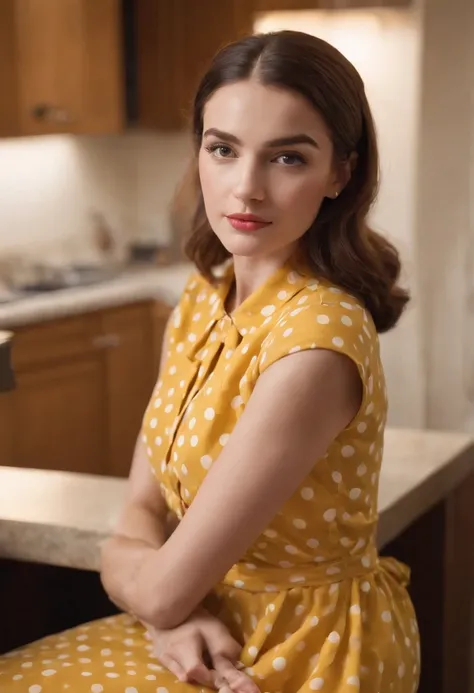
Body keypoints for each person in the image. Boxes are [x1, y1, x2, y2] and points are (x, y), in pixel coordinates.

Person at [0, 29, 420, 693]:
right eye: (223, 148)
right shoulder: (207, 292)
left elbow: (154, 572)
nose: (245, 187)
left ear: (341, 171)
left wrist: (149, 583)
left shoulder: (316, 342)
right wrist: (168, 608)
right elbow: (142, 506)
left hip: (303, 650)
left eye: (287, 158)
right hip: (201, 626)